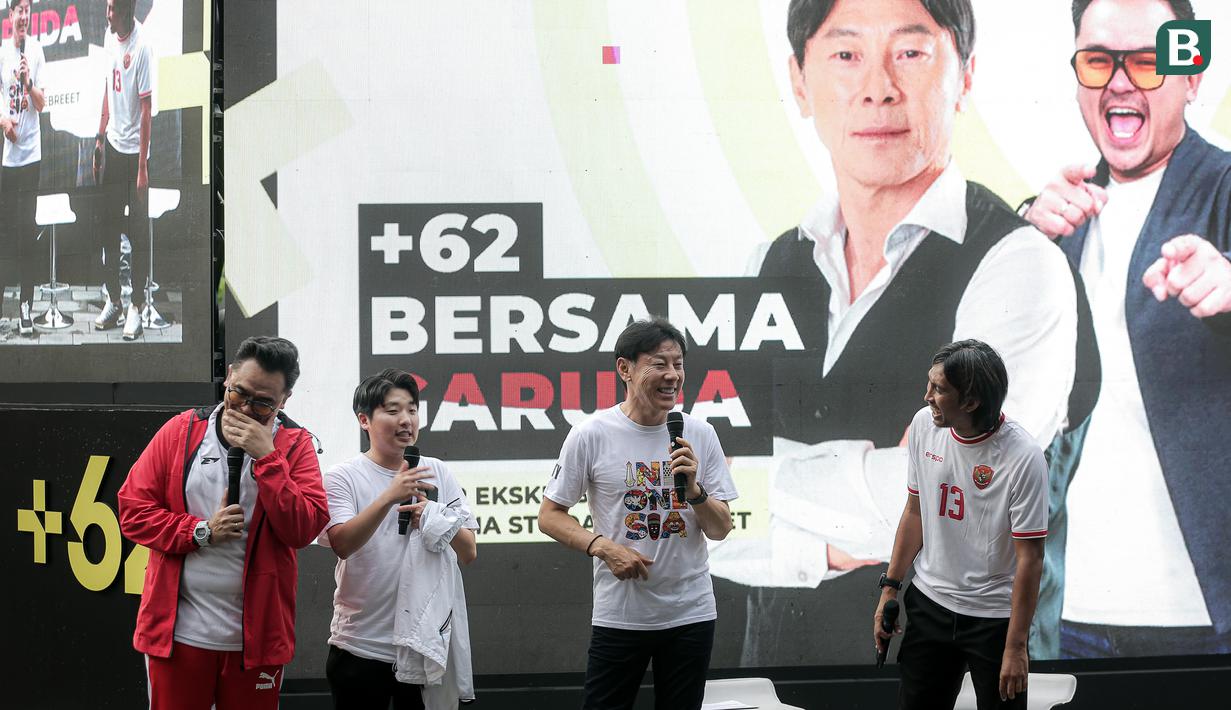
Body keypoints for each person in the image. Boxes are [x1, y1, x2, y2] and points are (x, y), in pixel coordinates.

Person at [717, 0, 1092, 665]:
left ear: (965, 75)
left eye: (910, 52)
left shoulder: (1017, 264)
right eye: (845, 54)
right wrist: (864, 505)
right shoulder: (764, 267)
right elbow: (680, 514)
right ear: (799, 82)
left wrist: (761, 502)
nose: (877, 87)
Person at [1022, 0, 1231, 657]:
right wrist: (1019, 242)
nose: (1118, 81)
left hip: (1204, 624)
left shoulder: (1224, 188)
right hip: (1070, 616)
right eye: (1097, 61)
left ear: (1191, 76)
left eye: (1145, 61)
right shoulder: (1057, 215)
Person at [117, 336, 329, 709]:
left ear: (284, 401)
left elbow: (303, 529)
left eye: (262, 403)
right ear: (228, 376)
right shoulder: (181, 431)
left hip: (256, 643)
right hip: (179, 635)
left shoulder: (295, 445)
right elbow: (133, 511)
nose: (245, 409)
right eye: (239, 393)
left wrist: (268, 458)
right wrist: (200, 531)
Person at [538, 318, 738, 710]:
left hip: (691, 613)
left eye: (678, 364)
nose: (672, 375)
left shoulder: (700, 434)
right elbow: (550, 515)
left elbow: (720, 528)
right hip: (622, 613)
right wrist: (603, 547)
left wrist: (695, 492)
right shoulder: (591, 434)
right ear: (624, 369)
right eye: (659, 364)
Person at [874, 340, 1046, 709]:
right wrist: (890, 588)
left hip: (994, 620)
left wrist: (1016, 646)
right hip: (930, 606)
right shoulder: (924, 425)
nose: (927, 397)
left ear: (970, 402)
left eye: (939, 389)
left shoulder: (1024, 457)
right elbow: (915, 512)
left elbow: (1030, 560)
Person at [320, 368, 478, 709]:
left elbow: (468, 552)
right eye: (392, 411)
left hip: (422, 646)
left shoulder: (437, 471)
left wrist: (435, 517)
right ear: (364, 420)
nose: (406, 420)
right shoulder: (342, 477)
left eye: (412, 410)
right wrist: (389, 496)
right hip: (359, 646)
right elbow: (342, 544)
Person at [92, 0, 152, 341]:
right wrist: (100, 138)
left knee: (138, 235)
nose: (108, 13)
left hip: (136, 157)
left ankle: (136, 307)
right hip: (114, 150)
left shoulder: (143, 47)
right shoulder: (108, 36)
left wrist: (142, 167)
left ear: (127, 10)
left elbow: (146, 109)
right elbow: (107, 88)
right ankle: (114, 301)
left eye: (113, 7)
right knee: (108, 231)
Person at [0, 0, 44, 336]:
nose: (24, 16)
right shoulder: (2, 53)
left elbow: (41, 104)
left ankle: (25, 307)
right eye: (20, 10)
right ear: (10, 15)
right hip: (9, 157)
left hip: (31, 156)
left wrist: (28, 83)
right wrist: (4, 122)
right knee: (5, 232)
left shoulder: (38, 52)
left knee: (28, 233)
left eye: (28, 10)